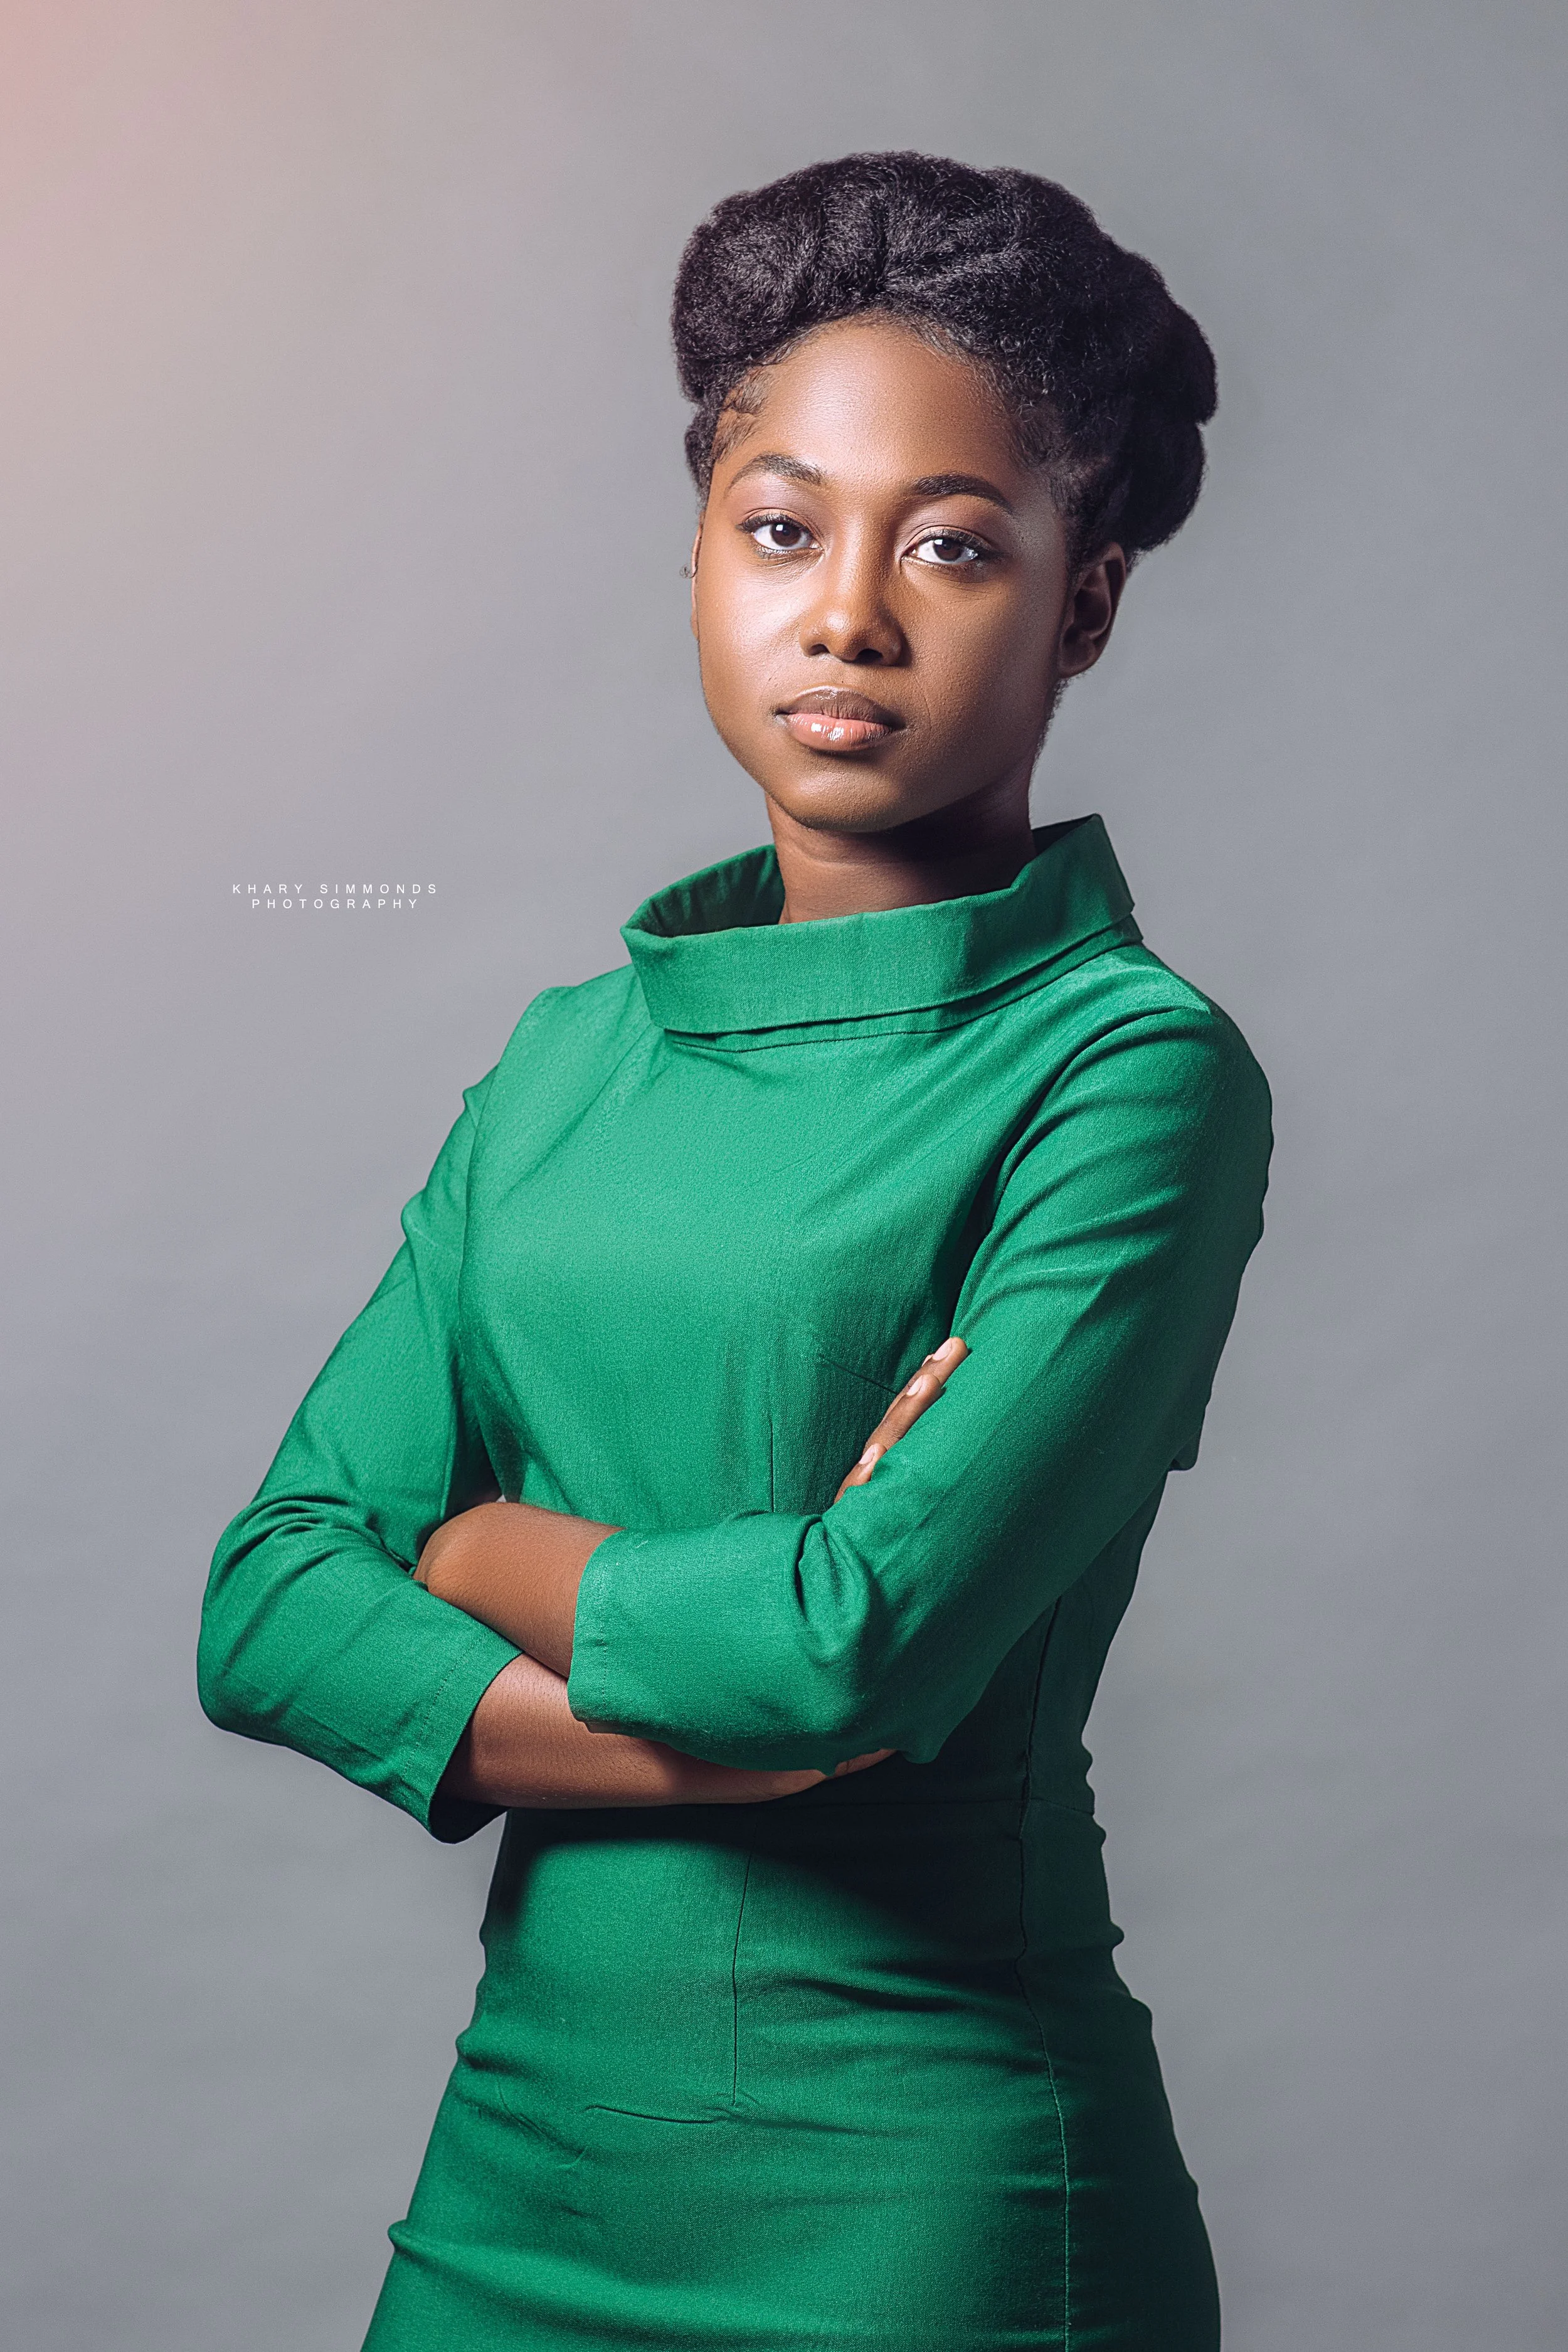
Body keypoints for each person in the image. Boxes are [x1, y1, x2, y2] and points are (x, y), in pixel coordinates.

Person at [199, 150, 1272, 2351]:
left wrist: (478, 1545)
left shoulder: (1123, 1071)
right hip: (520, 2172)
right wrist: (751, 1738)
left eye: (951, 544)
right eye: (781, 527)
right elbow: (271, 1596)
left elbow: (836, 1648)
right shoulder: (563, 1060)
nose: (847, 615)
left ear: (1082, 602)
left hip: (926, 2206)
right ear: (699, 548)